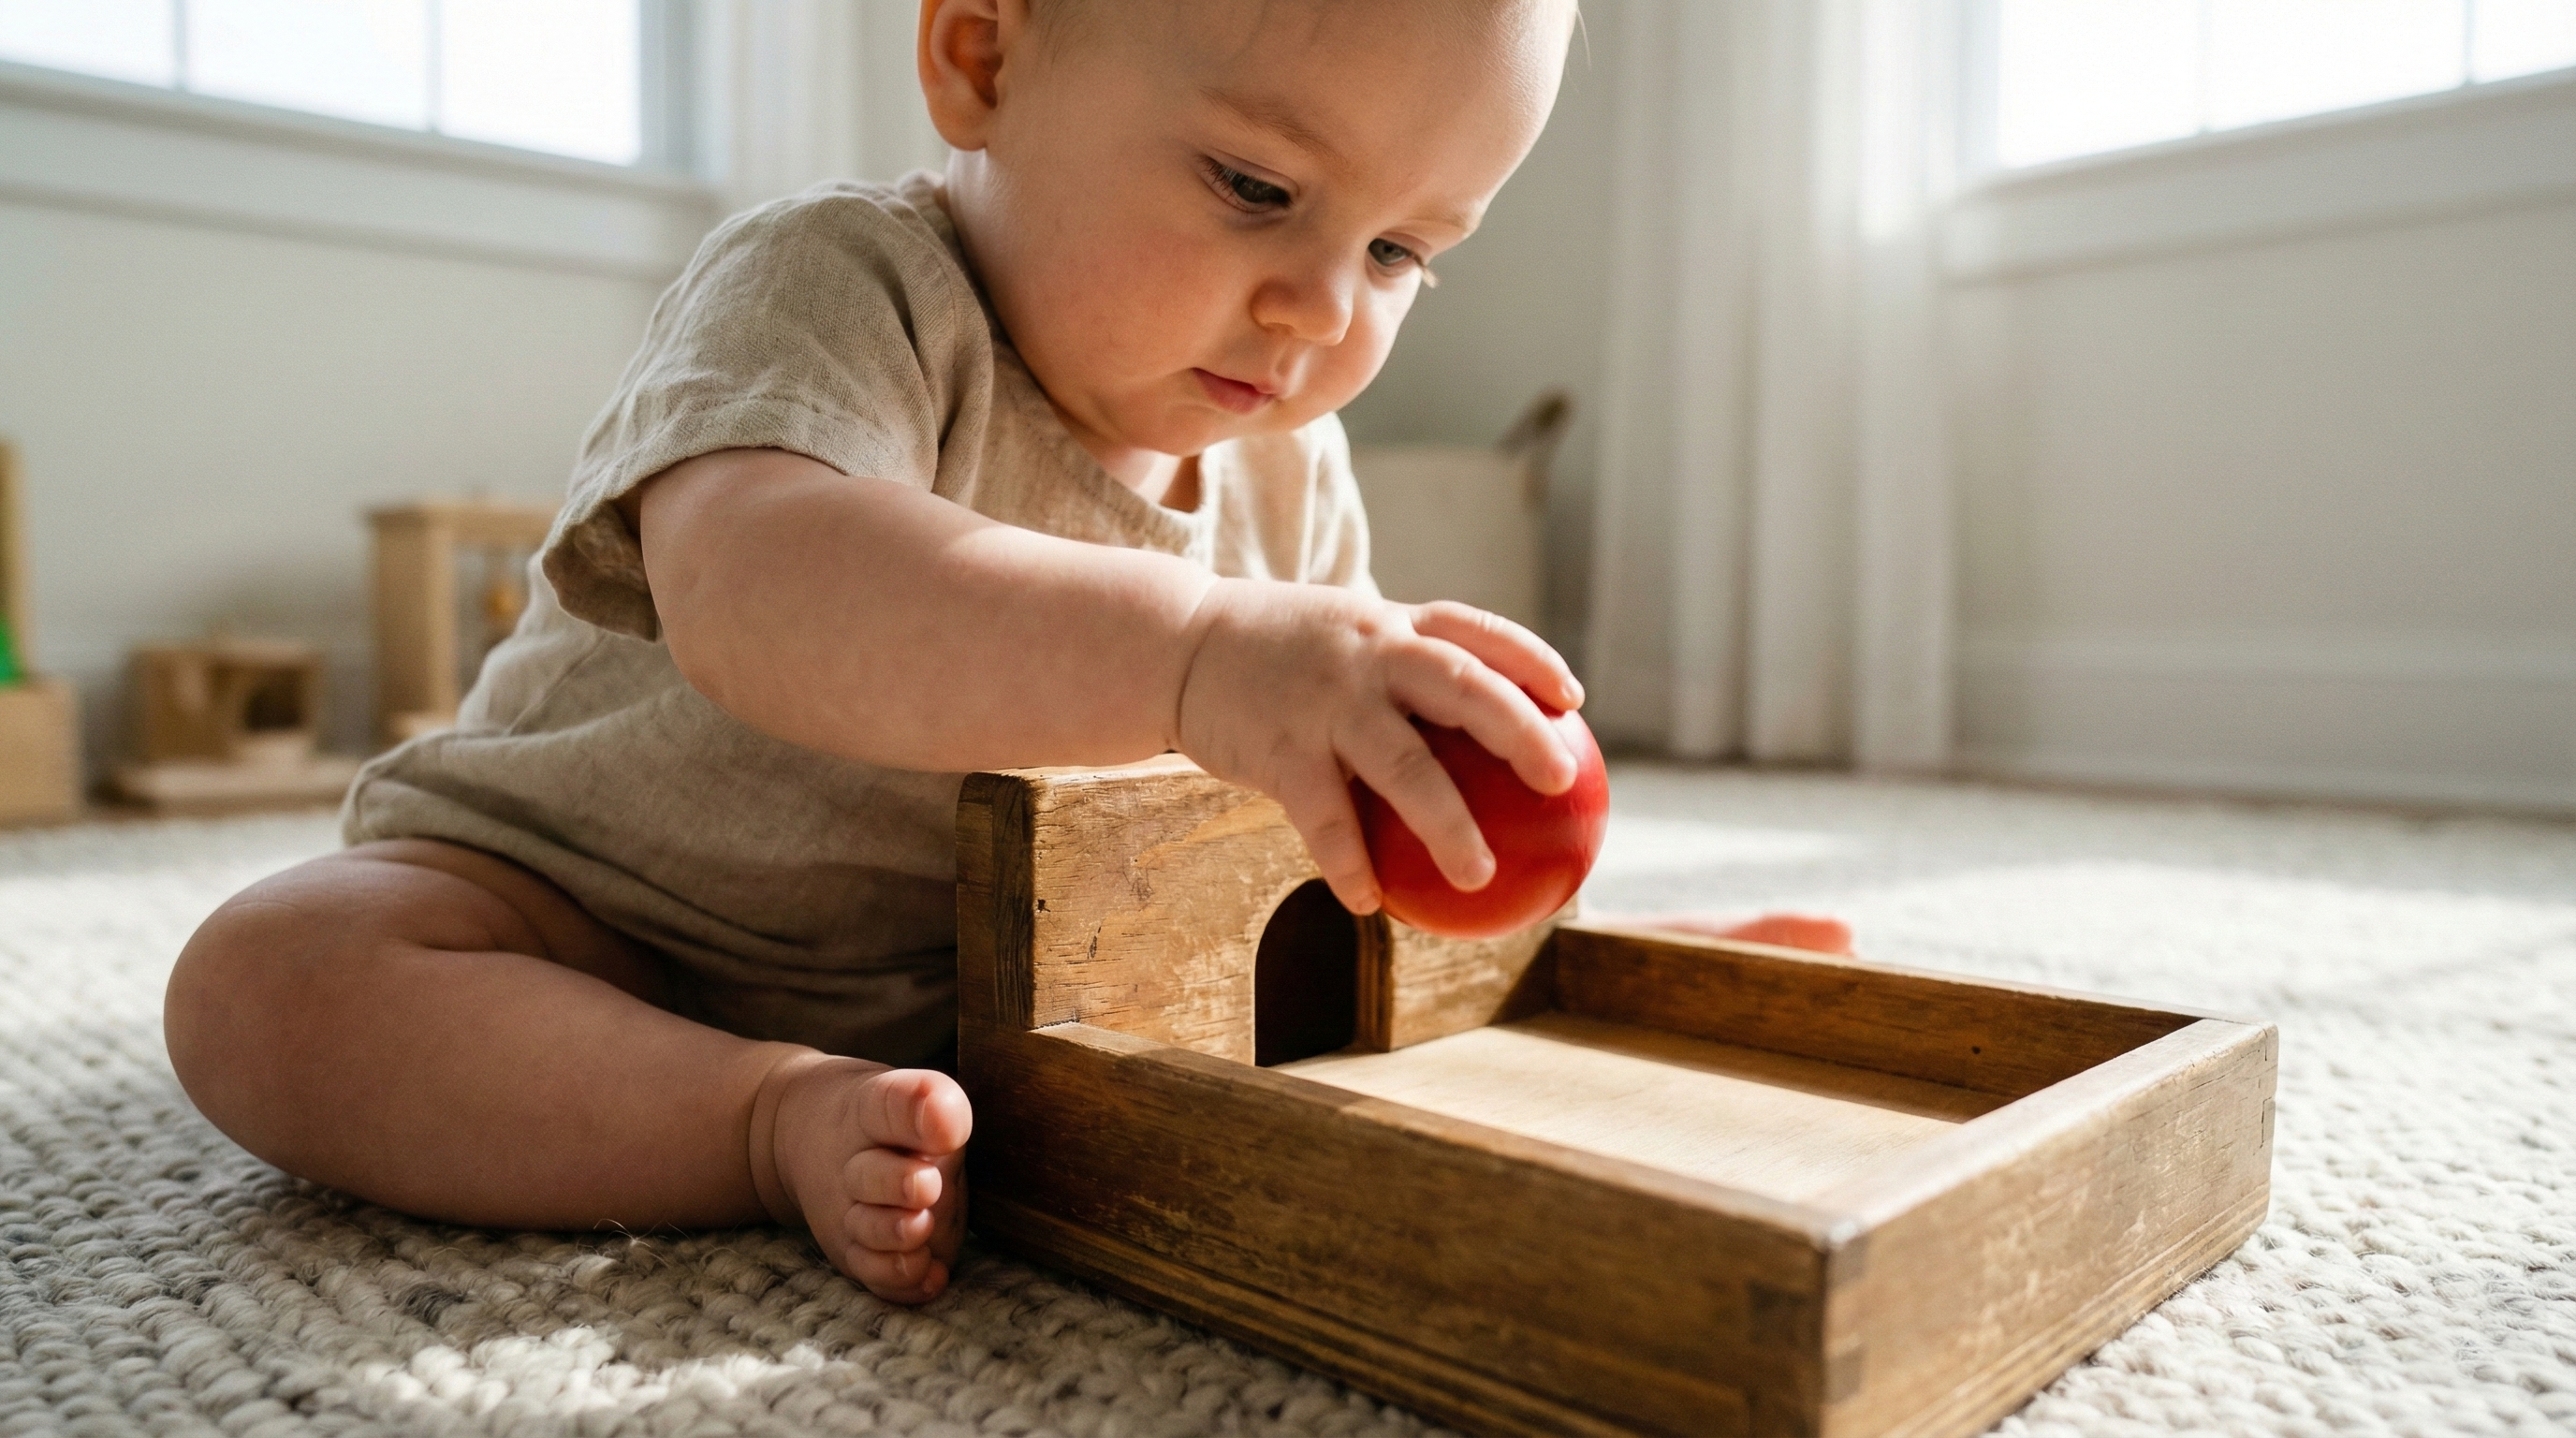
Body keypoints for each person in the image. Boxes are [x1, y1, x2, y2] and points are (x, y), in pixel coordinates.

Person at [165, 0, 1844, 1309]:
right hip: (576, 920)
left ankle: (869, 1095)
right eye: (1258, 188)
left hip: (966, 1001)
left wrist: (1574, 951)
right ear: (981, 59)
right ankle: (753, 1117)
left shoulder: (1287, 475)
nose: (1328, 307)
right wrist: (1203, 651)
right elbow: (764, 591)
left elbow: (1316, 845)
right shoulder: (843, 285)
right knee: (274, 983)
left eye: (1403, 249)